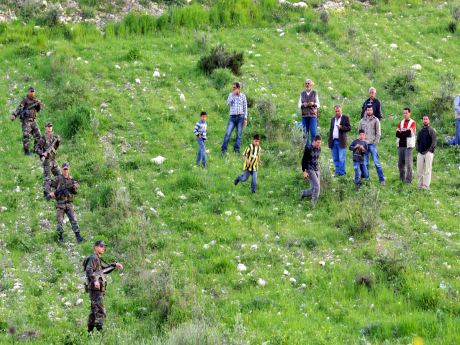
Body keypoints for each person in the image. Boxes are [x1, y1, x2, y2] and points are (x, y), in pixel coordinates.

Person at [84, 240, 123, 334]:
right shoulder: (93, 258)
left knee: (94, 311)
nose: (103, 248)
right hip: (95, 289)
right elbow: (89, 270)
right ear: (95, 247)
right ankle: (101, 332)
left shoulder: (97, 258)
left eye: (104, 246)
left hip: (97, 289)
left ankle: (90, 332)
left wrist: (114, 265)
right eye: (101, 246)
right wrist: (95, 280)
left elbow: (104, 269)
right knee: (100, 310)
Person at [45, 162, 84, 244]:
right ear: (62, 170)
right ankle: (60, 237)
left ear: (69, 169)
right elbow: (49, 183)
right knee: (59, 221)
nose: (65, 171)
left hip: (69, 203)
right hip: (60, 204)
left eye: (67, 169)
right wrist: (49, 193)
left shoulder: (72, 180)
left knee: (74, 220)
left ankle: (78, 237)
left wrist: (75, 187)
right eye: (64, 169)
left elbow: (74, 192)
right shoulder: (58, 178)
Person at [10, 86, 42, 155]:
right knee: (26, 136)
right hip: (26, 120)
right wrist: (14, 115)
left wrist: (38, 104)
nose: (32, 93)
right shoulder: (25, 100)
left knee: (38, 135)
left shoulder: (35, 100)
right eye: (31, 92)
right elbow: (19, 108)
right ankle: (26, 151)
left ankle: (35, 149)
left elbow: (38, 110)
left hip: (33, 120)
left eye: (33, 92)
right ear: (28, 92)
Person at [358, 105, 385, 185]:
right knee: (365, 163)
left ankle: (382, 179)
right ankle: (367, 180)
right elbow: (359, 133)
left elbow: (378, 133)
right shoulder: (362, 121)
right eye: (368, 110)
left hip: (372, 145)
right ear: (366, 111)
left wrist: (375, 143)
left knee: (377, 163)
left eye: (370, 110)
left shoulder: (376, 120)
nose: (369, 111)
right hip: (364, 145)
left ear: (372, 111)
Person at [221, 82, 248, 154]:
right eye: (232, 88)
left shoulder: (243, 96)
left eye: (234, 88)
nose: (233, 89)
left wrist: (245, 118)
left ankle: (236, 151)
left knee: (239, 135)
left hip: (240, 117)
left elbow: (245, 108)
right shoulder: (231, 95)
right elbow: (228, 103)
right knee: (227, 133)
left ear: (238, 88)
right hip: (232, 118)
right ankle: (223, 150)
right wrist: (233, 95)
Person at [36, 122, 61, 190]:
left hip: (53, 160)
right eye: (48, 126)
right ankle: (46, 192)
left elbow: (55, 147)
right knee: (47, 178)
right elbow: (37, 148)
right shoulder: (43, 138)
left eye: (50, 126)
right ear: (45, 128)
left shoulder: (54, 137)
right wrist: (42, 153)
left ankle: (58, 189)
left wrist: (58, 142)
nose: (49, 128)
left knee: (60, 176)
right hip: (47, 161)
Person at [328, 105, 351, 176]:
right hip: (333, 141)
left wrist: (341, 127)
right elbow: (331, 130)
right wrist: (329, 141)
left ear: (341, 110)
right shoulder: (333, 119)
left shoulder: (345, 118)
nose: (337, 112)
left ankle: (342, 173)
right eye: (336, 111)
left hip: (341, 141)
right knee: (335, 158)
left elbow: (349, 128)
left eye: (338, 111)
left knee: (341, 158)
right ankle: (337, 172)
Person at [396, 107, 416, 184]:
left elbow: (409, 133)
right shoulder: (400, 123)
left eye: (406, 113)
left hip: (409, 146)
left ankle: (408, 180)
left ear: (409, 113)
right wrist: (405, 132)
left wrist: (402, 132)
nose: (405, 114)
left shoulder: (413, 123)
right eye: (404, 113)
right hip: (400, 145)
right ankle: (402, 179)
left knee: (408, 163)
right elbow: (397, 134)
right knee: (400, 164)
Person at [300, 135, 322, 204]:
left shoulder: (319, 149)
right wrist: (304, 171)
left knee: (314, 189)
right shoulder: (308, 148)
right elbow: (303, 160)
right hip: (309, 169)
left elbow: (316, 160)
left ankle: (303, 193)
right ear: (314, 141)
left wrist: (317, 171)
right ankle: (312, 204)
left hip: (316, 169)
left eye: (320, 143)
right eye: (318, 142)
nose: (319, 144)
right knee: (317, 187)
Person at [416, 116, 437, 190]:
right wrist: (418, 150)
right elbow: (417, 141)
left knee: (427, 170)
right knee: (419, 170)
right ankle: (419, 186)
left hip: (428, 153)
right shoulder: (420, 131)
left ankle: (426, 186)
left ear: (429, 121)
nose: (425, 120)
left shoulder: (432, 130)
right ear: (422, 121)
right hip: (420, 153)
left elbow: (434, 142)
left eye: (426, 119)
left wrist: (429, 151)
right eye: (424, 119)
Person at [298, 79, 320, 146]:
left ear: (311, 85)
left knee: (313, 132)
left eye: (308, 83)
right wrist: (302, 104)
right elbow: (299, 105)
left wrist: (313, 103)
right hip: (304, 116)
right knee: (305, 133)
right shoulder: (302, 94)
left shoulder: (315, 93)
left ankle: (313, 147)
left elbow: (318, 104)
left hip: (313, 116)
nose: (307, 85)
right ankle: (307, 148)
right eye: (306, 83)